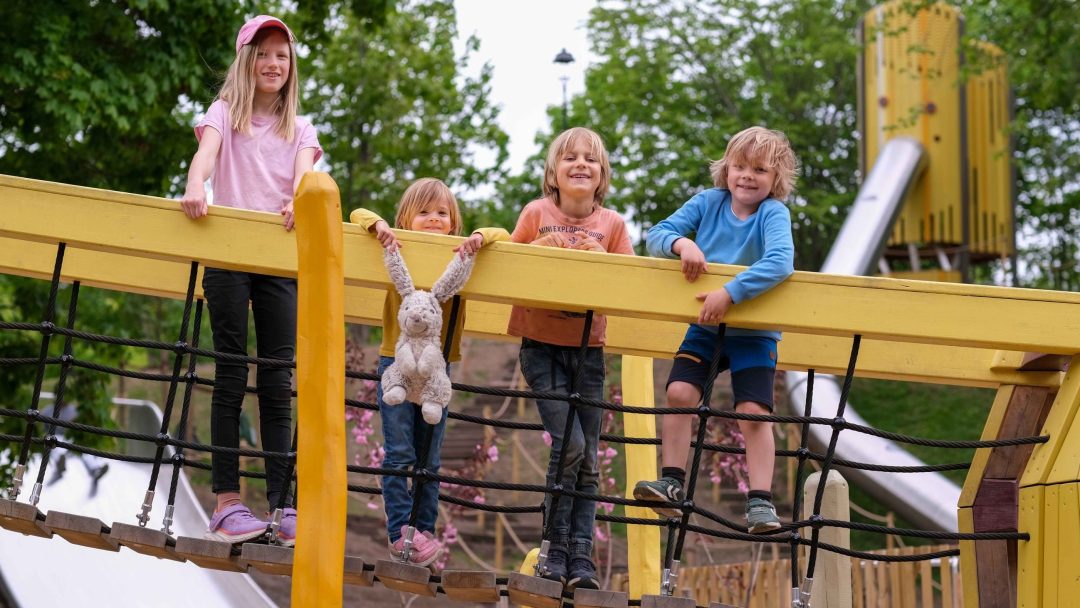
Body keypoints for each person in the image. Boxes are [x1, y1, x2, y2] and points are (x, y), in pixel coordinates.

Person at [180, 15, 322, 546]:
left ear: (291, 68)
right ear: (247, 61)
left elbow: (307, 177)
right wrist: (196, 186)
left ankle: (284, 505)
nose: (273, 64)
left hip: (278, 259)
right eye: (263, 53)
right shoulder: (224, 113)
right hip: (229, 252)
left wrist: (298, 199)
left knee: (279, 379)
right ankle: (227, 502)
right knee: (233, 371)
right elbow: (205, 157)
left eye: (282, 56)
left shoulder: (300, 127)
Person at [633, 126, 798, 534]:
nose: (746, 175)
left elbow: (780, 261)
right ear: (726, 169)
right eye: (739, 166)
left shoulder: (772, 213)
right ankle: (671, 482)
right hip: (705, 328)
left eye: (759, 169)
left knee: (753, 413)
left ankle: (760, 501)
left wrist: (730, 292)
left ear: (775, 180)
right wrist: (682, 246)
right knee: (679, 392)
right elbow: (657, 234)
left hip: (755, 331)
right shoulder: (708, 203)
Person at [350, 178, 509, 568]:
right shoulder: (397, 252)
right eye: (424, 213)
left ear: (454, 222)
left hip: (438, 367)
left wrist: (477, 237)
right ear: (405, 218)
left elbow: (501, 234)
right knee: (400, 450)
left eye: (443, 214)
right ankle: (399, 530)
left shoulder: (459, 259)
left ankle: (423, 531)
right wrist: (379, 227)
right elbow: (357, 214)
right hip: (396, 362)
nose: (434, 220)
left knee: (429, 457)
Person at [508, 127, 634, 590]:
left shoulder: (613, 225)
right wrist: (545, 247)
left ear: (602, 176)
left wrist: (600, 256)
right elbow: (511, 262)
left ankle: (580, 557)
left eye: (591, 159)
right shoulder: (537, 213)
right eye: (570, 158)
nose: (581, 164)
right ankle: (553, 547)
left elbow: (629, 282)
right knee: (573, 446)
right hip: (540, 347)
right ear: (553, 173)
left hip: (589, 353)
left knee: (590, 462)